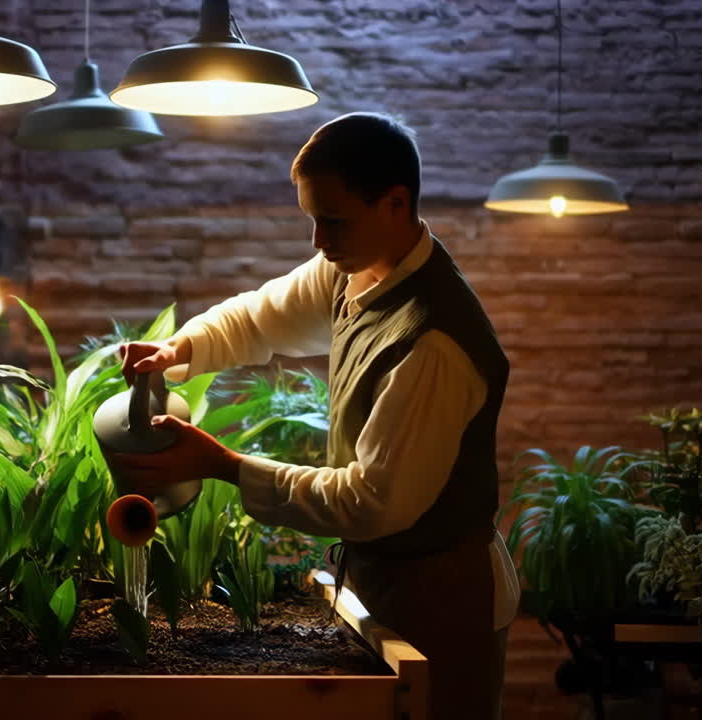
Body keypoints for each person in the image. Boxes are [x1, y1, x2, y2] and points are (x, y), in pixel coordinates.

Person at [109, 112, 521, 720]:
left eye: (332, 221)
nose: (318, 241)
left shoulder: (435, 343)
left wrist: (223, 465)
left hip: (445, 596)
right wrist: (180, 352)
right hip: (383, 582)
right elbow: (260, 318)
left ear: (395, 203)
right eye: (312, 219)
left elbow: (371, 502)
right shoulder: (352, 271)